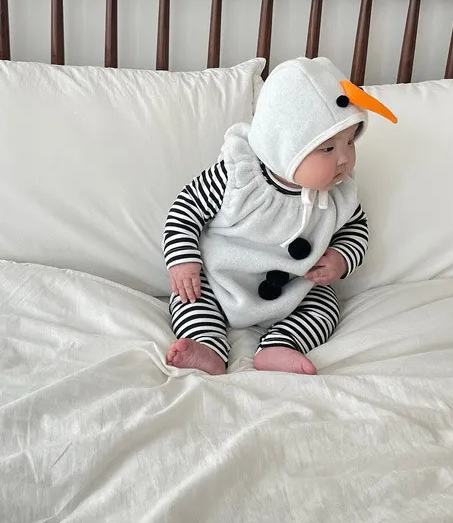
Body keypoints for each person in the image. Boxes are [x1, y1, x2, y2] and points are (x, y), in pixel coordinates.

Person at [163, 56, 396, 375]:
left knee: (325, 306)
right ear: (283, 146)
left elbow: (356, 228)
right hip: (220, 282)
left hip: (295, 288)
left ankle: (280, 345)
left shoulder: (339, 193)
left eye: (349, 142)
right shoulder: (238, 177)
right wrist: (182, 260)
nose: (343, 159)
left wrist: (341, 259)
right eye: (328, 149)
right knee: (188, 297)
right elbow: (185, 210)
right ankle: (207, 346)